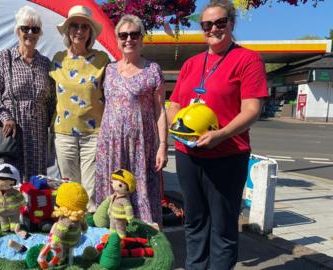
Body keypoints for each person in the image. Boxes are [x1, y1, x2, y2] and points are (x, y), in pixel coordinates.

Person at [166, 1, 268, 269]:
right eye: (207, 25)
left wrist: (221, 134)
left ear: (231, 24)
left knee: (222, 227)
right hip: (189, 153)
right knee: (195, 221)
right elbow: (174, 104)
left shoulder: (248, 59)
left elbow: (252, 109)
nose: (213, 29)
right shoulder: (191, 64)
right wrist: (178, 126)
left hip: (227, 153)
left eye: (220, 23)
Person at [95, 14, 167, 226]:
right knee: (113, 192)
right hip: (111, 145)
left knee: (141, 190)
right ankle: (111, 238)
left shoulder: (152, 70)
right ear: (117, 39)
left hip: (141, 146)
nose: (129, 39)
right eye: (123, 35)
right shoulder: (108, 70)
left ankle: (144, 238)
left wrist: (163, 145)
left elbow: (160, 110)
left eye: (134, 34)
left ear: (141, 38)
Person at [50, 5, 110, 212]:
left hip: (93, 134)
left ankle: (91, 235)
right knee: (69, 188)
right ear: (67, 31)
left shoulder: (102, 60)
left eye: (84, 26)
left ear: (90, 32)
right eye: (74, 26)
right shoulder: (57, 60)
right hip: (64, 133)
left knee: (91, 191)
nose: (79, 30)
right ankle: (69, 233)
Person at [0, 6, 55, 179]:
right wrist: (5, 117)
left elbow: (53, 100)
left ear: (39, 34)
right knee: (10, 180)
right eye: (25, 28)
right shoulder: (6, 58)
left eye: (35, 29)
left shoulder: (45, 63)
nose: (30, 33)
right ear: (18, 30)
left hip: (38, 134)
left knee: (36, 182)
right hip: (13, 131)